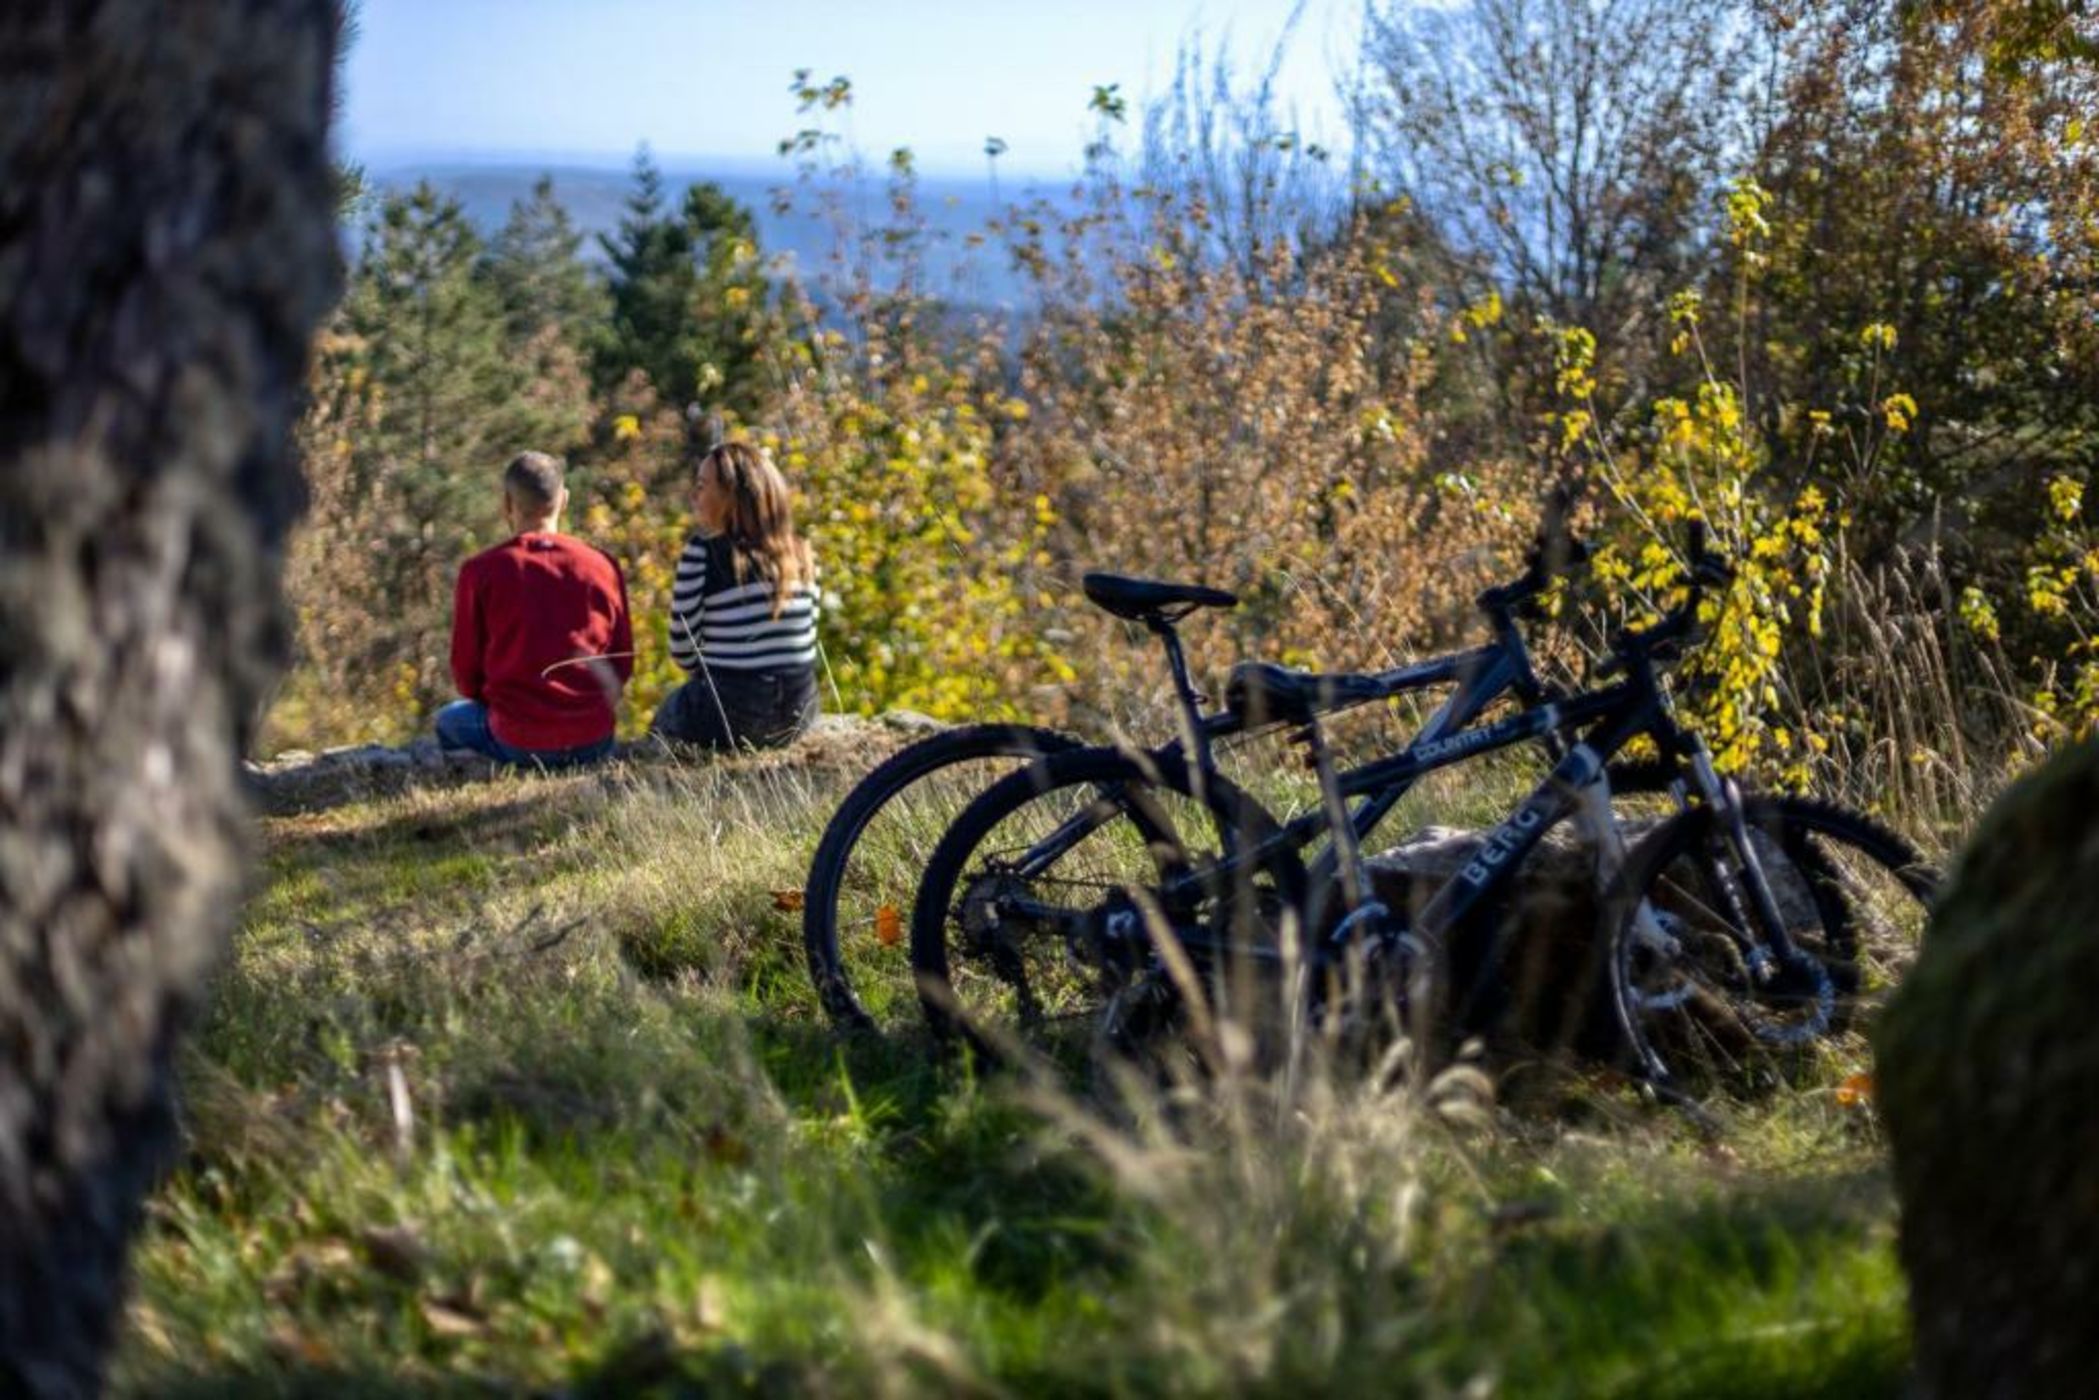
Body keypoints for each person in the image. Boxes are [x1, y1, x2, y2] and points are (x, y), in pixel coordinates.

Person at [436, 451, 632, 767]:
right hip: (592, 740)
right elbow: (622, 663)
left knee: (449, 720)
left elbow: (466, 675)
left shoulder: (481, 571)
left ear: (506, 504)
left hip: (518, 739)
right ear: (564, 500)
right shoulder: (601, 565)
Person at [653, 439, 821, 749]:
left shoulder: (702, 553)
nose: (694, 495)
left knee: (670, 712)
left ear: (729, 496)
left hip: (731, 714)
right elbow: (806, 638)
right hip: (799, 712)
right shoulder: (802, 553)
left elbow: (683, 650)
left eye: (702, 486)